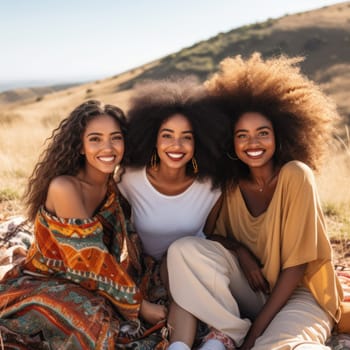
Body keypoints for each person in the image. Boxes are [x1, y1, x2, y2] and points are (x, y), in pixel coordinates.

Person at [166, 53, 344, 350]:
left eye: (263, 133)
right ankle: (229, 332)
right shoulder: (231, 183)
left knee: (278, 346)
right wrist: (240, 253)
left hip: (300, 293)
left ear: (281, 136)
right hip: (252, 292)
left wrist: (254, 338)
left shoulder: (295, 175)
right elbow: (210, 237)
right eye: (242, 135)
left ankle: (248, 337)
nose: (253, 143)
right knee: (183, 250)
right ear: (231, 143)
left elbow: (295, 269)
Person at [0, 100, 167, 349]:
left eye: (115, 138)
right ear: (80, 146)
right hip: (46, 279)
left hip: (93, 283)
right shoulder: (64, 187)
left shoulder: (114, 185)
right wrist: (140, 307)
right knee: (91, 323)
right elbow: (91, 259)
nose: (107, 147)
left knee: (153, 283)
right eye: (95, 139)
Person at [116, 77, 229, 346]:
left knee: (183, 271)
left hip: (194, 267)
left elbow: (212, 235)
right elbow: (120, 234)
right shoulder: (129, 179)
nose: (176, 146)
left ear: (199, 141)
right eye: (167, 135)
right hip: (147, 272)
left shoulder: (211, 187)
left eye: (186, 138)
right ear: (153, 138)